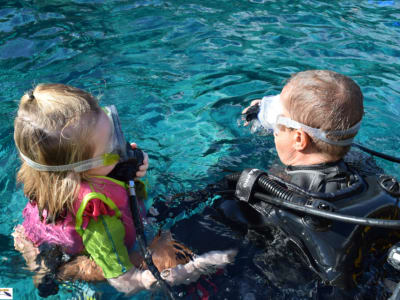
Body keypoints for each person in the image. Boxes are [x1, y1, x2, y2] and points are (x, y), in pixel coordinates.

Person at [12, 84, 236, 297]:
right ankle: (44, 269)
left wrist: (126, 170)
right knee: (163, 254)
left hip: (45, 230)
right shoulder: (98, 217)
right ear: (79, 170)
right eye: (111, 147)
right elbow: (125, 283)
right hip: (78, 256)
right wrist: (198, 266)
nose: (123, 148)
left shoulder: (50, 174)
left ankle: (36, 257)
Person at [214, 70, 400, 291]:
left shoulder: (266, 201)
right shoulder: (368, 171)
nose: (273, 128)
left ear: (299, 139)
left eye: (277, 122)